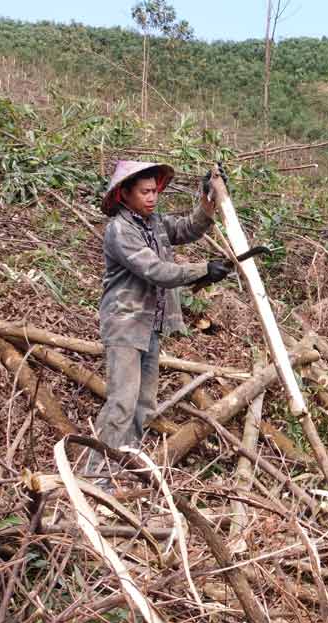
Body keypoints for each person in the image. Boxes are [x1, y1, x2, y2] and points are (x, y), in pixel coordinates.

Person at [88, 161, 231, 474]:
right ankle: (96, 476)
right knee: (122, 403)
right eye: (144, 192)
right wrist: (203, 269)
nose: (152, 197)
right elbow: (156, 270)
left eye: (154, 191)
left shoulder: (152, 223)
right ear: (125, 194)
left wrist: (208, 199)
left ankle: (126, 466)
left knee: (143, 406)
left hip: (151, 325)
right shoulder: (120, 229)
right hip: (125, 324)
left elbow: (187, 228)